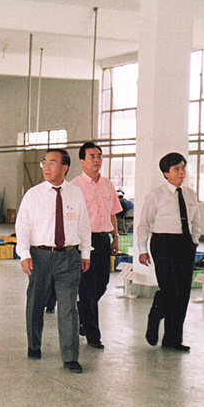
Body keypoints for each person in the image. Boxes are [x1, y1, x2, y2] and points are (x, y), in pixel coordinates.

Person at [16, 148, 91, 373]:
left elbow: (83, 225)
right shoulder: (33, 195)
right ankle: (34, 344)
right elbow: (22, 226)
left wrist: (85, 254)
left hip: (68, 257)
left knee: (68, 307)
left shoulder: (75, 193)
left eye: (52, 163)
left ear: (64, 168)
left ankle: (70, 357)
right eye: (44, 162)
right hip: (40, 256)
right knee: (36, 302)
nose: (46, 167)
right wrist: (24, 254)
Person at [137, 152, 200, 352]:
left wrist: (194, 241)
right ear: (166, 173)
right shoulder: (155, 196)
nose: (181, 173)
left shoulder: (190, 194)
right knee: (170, 290)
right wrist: (142, 250)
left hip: (185, 244)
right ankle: (155, 315)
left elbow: (195, 220)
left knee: (183, 293)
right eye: (176, 169)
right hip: (163, 243)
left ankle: (172, 339)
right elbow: (144, 224)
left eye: (183, 168)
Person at [70, 142, 123, 349]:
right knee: (88, 287)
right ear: (82, 161)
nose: (97, 159)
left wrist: (115, 237)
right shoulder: (74, 186)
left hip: (103, 240)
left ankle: (82, 311)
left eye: (99, 155)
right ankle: (93, 334)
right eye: (92, 156)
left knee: (102, 283)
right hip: (84, 241)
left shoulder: (107, 185)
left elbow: (112, 213)